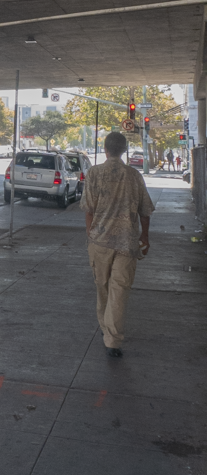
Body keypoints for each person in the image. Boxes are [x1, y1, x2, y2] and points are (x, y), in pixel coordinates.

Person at [81, 130, 154, 358]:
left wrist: (90, 236)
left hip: (100, 243)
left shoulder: (94, 173)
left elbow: (89, 210)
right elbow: (145, 211)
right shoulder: (134, 176)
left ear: (105, 149)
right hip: (127, 244)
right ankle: (112, 338)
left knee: (102, 287)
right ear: (124, 151)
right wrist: (145, 236)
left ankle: (108, 332)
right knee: (119, 290)